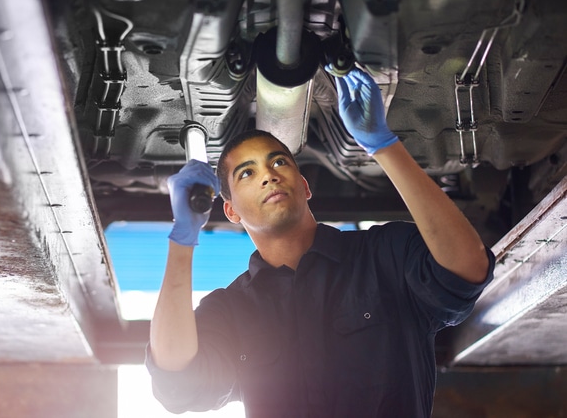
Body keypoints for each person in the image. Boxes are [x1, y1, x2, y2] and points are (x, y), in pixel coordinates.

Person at [146, 67, 495, 417]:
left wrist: (384, 145)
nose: (268, 175)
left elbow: (467, 269)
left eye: (278, 162)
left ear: (305, 186)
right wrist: (182, 236)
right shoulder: (231, 310)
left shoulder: (386, 256)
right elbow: (176, 382)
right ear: (231, 211)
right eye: (247, 173)